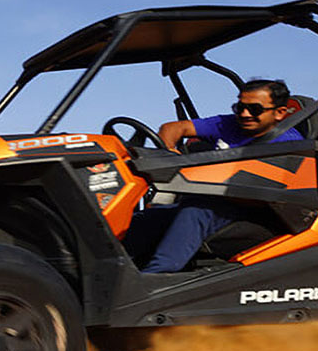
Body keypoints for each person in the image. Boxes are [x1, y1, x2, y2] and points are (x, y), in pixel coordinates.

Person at [128, 79, 303, 274]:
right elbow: (172, 128)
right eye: (240, 107)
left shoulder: (289, 144)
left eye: (255, 109)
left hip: (255, 209)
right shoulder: (229, 124)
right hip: (212, 199)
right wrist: (169, 153)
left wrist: (206, 180)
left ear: (279, 112)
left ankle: (156, 276)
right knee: (146, 218)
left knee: (195, 211)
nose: (245, 114)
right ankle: (119, 272)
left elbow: (271, 196)